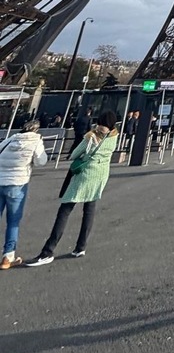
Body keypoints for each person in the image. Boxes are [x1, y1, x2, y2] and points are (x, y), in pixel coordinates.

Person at [26, 111, 118, 266]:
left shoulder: (91, 137)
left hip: (85, 176)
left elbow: (74, 154)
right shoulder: (114, 137)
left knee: (65, 210)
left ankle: (48, 251)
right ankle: (81, 246)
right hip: (101, 176)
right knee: (89, 210)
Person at [0, 120, 48, 268]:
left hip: (0, 179)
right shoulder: (36, 141)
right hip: (18, 183)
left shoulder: (11, 139)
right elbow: (41, 161)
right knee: (13, 222)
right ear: (36, 130)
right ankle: (8, 257)